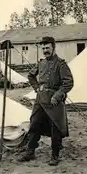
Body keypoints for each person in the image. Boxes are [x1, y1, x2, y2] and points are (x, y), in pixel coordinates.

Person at [18, 36, 74, 166]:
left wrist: (58, 95)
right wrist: (37, 88)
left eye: (47, 48)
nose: (45, 50)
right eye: (43, 48)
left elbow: (68, 83)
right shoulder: (41, 63)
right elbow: (31, 75)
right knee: (34, 123)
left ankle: (55, 155)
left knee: (56, 127)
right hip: (40, 99)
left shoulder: (61, 64)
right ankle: (30, 152)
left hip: (54, 101)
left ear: (53, 47)